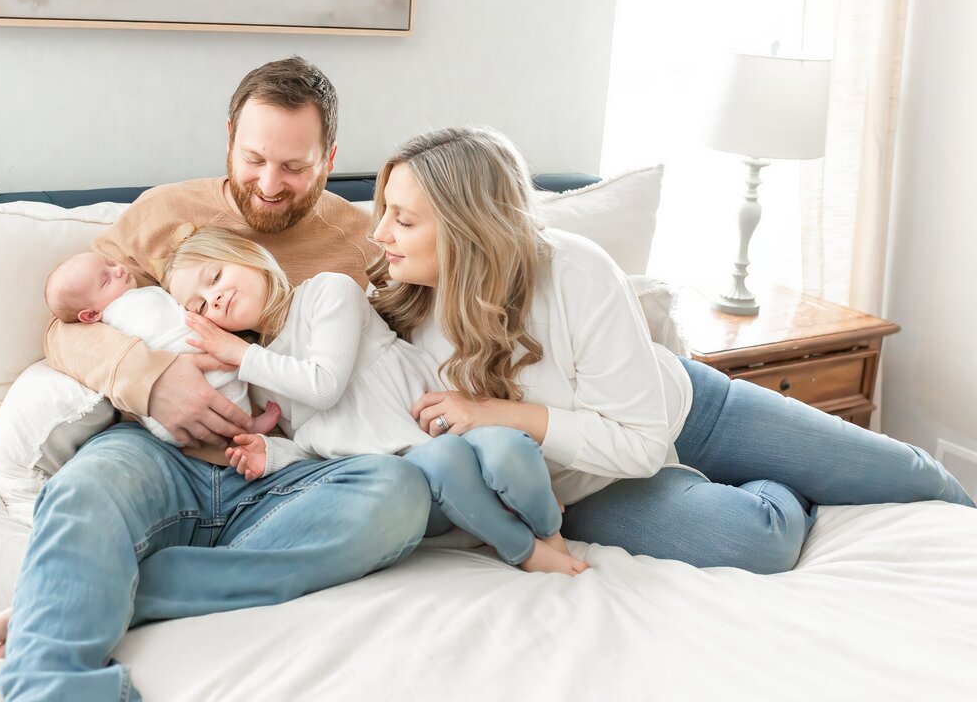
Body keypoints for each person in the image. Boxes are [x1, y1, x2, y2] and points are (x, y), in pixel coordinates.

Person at [0, 58, 431, 702]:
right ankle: (56, 685)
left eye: (295, 167)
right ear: (228, 137)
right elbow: (65, 327)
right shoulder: (165, 213)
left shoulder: (364, 241)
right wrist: (152, 377)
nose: (270, 184)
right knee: (83, 493)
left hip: (292, 463)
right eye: (253, 158)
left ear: (330, 158)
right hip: (159, 450)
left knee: (401, 494)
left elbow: (420, 349)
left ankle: (120, 588)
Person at [367, 125, 975, 576]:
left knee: (910, 474)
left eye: (403, 219)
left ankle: (774, 462)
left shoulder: (573, 266)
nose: (380, 234)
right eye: (383, 212)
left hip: (681, 410)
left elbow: (640, 439)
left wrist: (505, 414)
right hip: (587, 489)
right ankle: (783, 485)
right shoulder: (395, 311)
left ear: (469, 228)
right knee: (754, 543)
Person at [162, 225, 586, 575]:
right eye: (200, 305)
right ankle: (523, 551)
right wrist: (271, 452)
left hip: (444, 431)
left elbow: (324, 385)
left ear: (251, 256)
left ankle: (549, 529)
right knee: (441, 461)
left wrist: (242, 355)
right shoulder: (259, 375)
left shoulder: (328, 292)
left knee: (505, 446)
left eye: (215, 277)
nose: (214, 298)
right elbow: (322, 447)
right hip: (419, 483)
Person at [40, 248, 279, 448]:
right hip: (165, 411)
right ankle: (248, 428)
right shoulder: (117, 315)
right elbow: (59, 332)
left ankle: (248, 432)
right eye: (106, 280)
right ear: (91, 315)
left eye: (112, 264)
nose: (119, 270)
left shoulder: (137, 293)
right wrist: (149, 378)